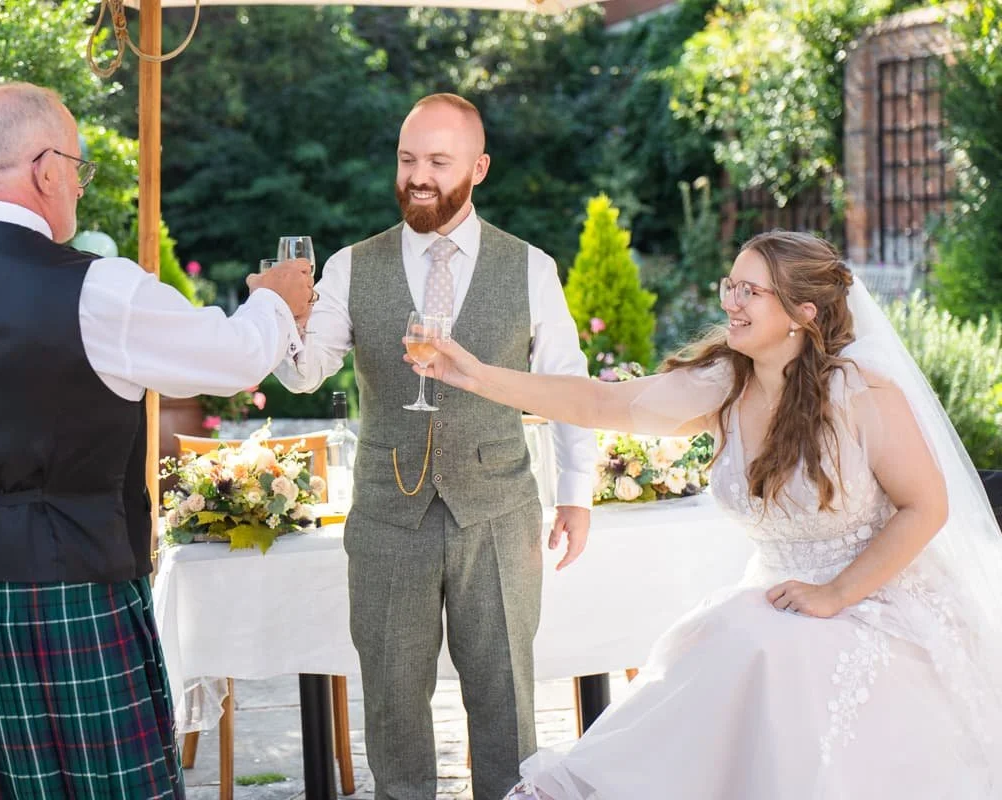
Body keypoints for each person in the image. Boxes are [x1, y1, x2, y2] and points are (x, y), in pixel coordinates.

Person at [0, 82, 314, 798]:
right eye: (79, 172)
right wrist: (278, 297)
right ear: (45, 168)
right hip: (71, 588)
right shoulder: (101, 290)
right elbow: (235, 356)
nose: (79, 191)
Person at [412, 230, 1002, 798]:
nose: (732, 302)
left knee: (763, 652)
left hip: (878, 600)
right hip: (778, 600)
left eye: (752, 291)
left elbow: (927, 507)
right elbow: (598, 400)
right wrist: (478, 376)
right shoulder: (725, 382)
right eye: (731, 285)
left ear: (804, 313)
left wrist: (838, 594)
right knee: (721, 648)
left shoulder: (860, 395)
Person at [274, 93, 598, 800]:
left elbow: (568, 384)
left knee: (506, 702)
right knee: (392, 703)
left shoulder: (531, 268)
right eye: (407, 159)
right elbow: (303, 374)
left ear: (478, 168)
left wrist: (577, 495)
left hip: (499, 509)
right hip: (389, 516)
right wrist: (279, 313)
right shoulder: (353, 266)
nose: (418, 176)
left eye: (438, 162)